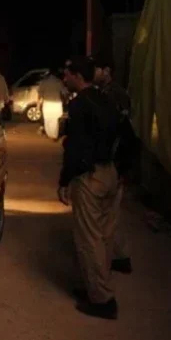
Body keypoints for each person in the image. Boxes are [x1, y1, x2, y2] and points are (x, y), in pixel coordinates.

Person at [58, 56, 121, 320]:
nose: (64, 78)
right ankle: (96, 288)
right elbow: (125, 133)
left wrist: (64, 181)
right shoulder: (106, 99)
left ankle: (102, 301)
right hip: (110, 173)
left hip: (90, 176)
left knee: (89, 239)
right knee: (104, 236)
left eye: (67, 74)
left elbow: (75, 148)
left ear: (77, 76)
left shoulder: (79, 105)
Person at [94, 58, 137, 274]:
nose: (94, 73)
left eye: (97, 69)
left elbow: (122, 134)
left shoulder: (114, 95)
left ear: (107, 70)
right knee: (111, 217)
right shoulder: (105, 92)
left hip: (115, 163)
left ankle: (111, 260)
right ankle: (118, 257)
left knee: (107, 217)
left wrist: (121, 167)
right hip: (114, 163)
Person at [38, 68, 66, 140]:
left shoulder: (44, 82)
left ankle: (50, 134)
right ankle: (54, 135)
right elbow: (64, 93)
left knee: (48, 120)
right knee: (56, 121)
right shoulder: (59, 82)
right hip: (57, 104)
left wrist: (38, 105)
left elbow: (40, 94)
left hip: (47, 104)